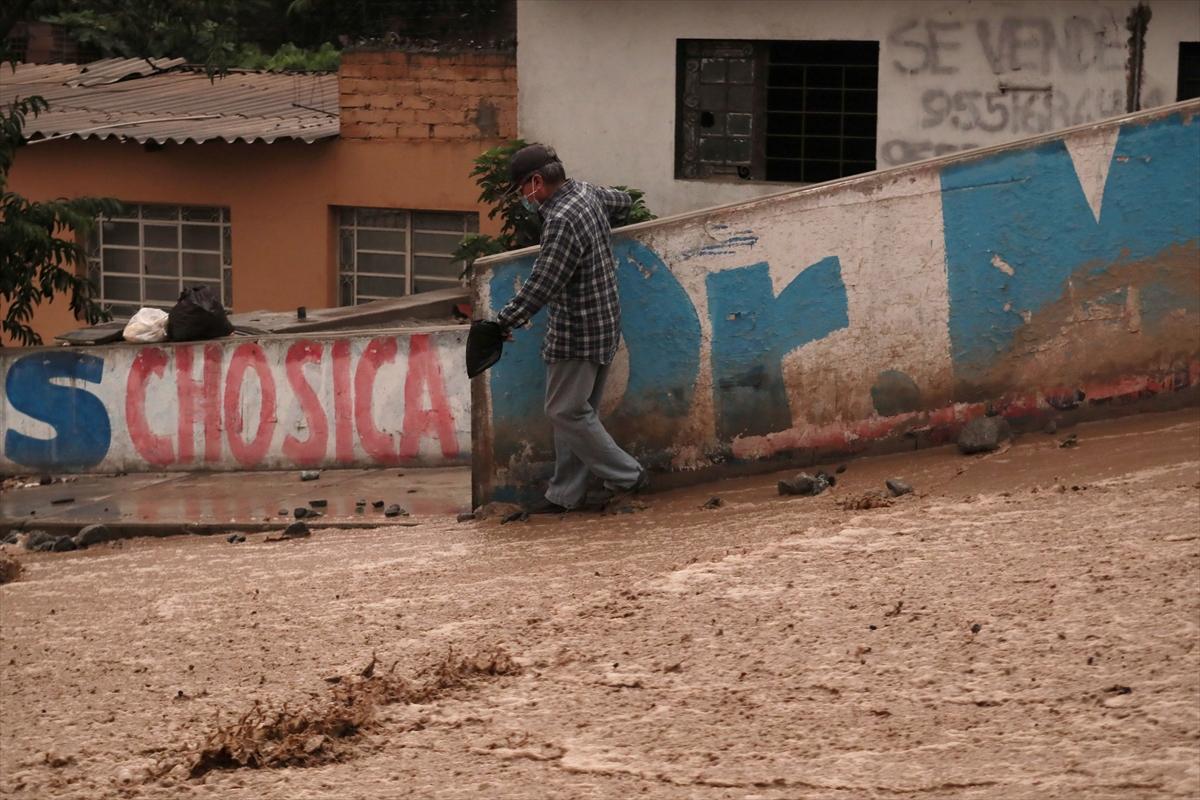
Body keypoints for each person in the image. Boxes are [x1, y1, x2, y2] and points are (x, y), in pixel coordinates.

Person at [495, 144, 649, 514]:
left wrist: (502, 322)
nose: (522, 197)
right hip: (605, 321)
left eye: (522, 188)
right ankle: (565, 494)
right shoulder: (585, 192)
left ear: (536, 181)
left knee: (565, 412)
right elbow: (624, 202)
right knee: (578, 414)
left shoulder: (561, 219)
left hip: (577, 330)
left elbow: (543, 283)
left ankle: (629, 476)